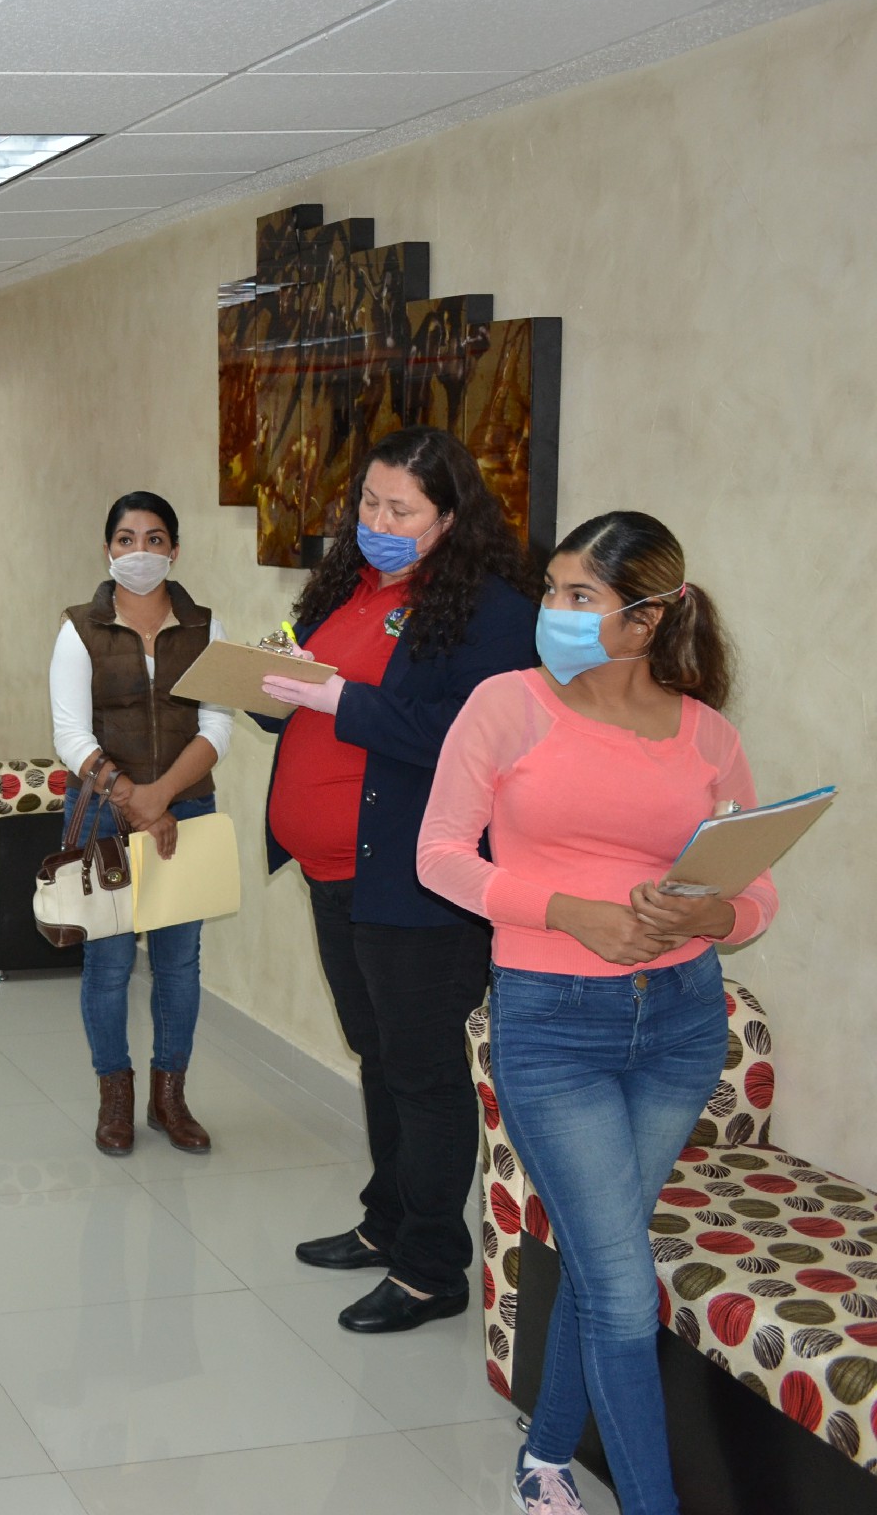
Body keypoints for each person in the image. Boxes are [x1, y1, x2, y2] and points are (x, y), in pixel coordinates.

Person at [419, 512, 771, 1515]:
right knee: (620, 1281)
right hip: (554, 1023)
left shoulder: (708, 734)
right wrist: (569, 911)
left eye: (583, 596)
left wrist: (713, 913)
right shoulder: (506, 706)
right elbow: (439, 856)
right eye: (554, 591)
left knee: (601, 1247)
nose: (556, 611)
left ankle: (543, 1456)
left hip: (682, 1022)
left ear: (649, 618)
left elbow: (756, 891)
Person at [256, 425, 539, 1335]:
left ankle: (430, 1269)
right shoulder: (349, 584)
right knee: (377, 1053)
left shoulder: (492, 612)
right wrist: (273, 683)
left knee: (424, 1075)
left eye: (401, 510)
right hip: (334, 873)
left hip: (416, 884)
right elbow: (301, 705)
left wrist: (340, 698)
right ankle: (387, 1223)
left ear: (450, 517)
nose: (377, 523)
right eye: (369, 504)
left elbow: (465, 739)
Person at [50, 492, 235, 1156]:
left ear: (174, 550)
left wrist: (161, 796)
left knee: (178, 964)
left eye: (155, 539)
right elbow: (70, 734)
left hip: (186, 809)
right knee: (108, 963)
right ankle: (115, 1097)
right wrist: (132, 798)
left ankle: (169, 1097)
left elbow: (217, 725)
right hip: (103, 813)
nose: (140, 551)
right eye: (126, 539)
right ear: (108, 549)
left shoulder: (206, 628)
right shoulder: (80, 628)